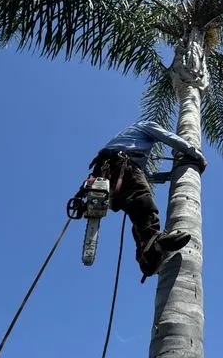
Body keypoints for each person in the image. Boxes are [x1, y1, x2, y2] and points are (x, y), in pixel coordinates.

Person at [85, 120, 207, 279]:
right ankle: (152, 242)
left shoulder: (128, 140)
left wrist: (172, 174)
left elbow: (147, 176)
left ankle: (147, 256)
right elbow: (168, 137)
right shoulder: (147, 126)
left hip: (105, 173)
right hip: (122, 165)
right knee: (142, 199)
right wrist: (195, 153)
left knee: (137, 213)